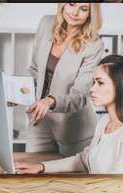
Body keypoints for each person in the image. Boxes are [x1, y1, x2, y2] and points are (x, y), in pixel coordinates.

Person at [15, 55, 123, 175]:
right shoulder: (104, 122)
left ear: (121, 86)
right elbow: (84, 160)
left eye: (100, 83)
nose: (92, 89)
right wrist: (40, 167)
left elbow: (119, 186)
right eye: (93, 82)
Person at [26, 3, 104, 157]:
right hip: (39, 121)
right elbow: (35, 70)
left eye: (83, 9)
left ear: (91, 13)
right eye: (71, 4)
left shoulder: (94, 45)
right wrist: (17, 93)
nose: (75, 13)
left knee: (70, 179)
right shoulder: (46, 24)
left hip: (73, 129)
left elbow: (79, 96)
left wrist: (50, 101)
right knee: (32, 173)